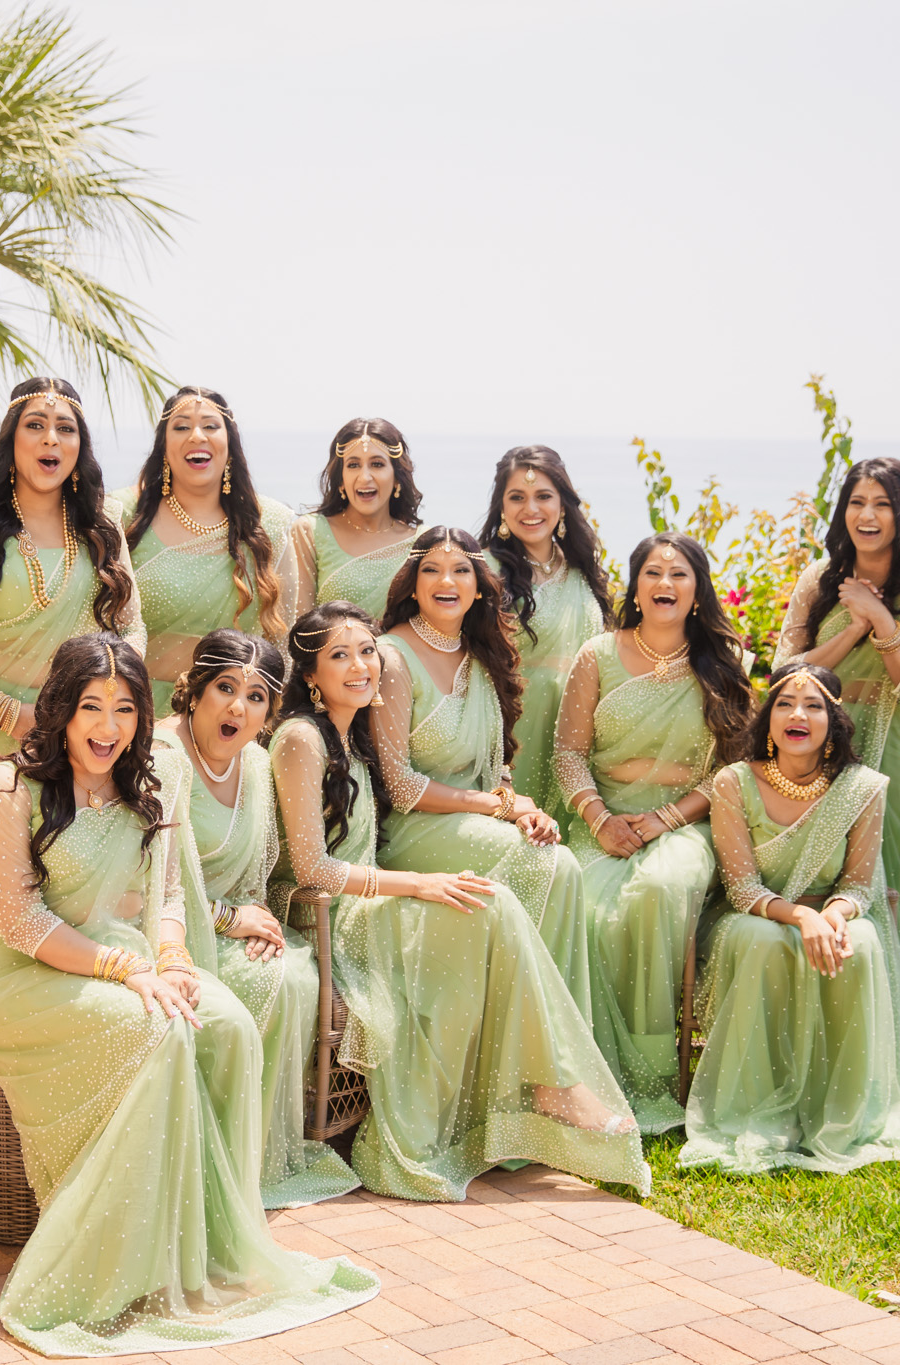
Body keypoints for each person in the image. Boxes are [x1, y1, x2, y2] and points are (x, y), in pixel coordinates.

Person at [0, 634, 376, 1353]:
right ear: (60, 709)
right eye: (91, 706)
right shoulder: (7, 791)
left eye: (124, 708)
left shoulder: (147, 784)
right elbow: (22, 922)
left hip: (131, 953)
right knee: (156, 1027)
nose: (107, 725)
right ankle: (127, 1258)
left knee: (231, 1022)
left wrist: (175, 955)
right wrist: (129, 970)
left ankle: (206, 1246)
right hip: (28, 972)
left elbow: (170, 890)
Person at [269, 602, 649, 1203]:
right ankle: (550, 1083)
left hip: (367, 903)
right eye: (339, 656)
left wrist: (508, 805)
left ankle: (538, 1085)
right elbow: (313, 868)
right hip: (329, 917)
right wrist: (418, 884)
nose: (361, 666)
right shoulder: (299, 739)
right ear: (310, 674)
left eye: (368, 651)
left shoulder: (354, 738)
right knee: (487, 904)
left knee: (489, 902)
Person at [0, 377, 146, 1137]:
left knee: (59, 897)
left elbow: (132, 632)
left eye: (66, 428)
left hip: (76, 741)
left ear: (81, 448)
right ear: (11, 439)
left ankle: (50, 1104)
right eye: (36, 425)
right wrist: (6, 709)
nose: (51, 440)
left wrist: (96, 707)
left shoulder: (100, 528)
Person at [680, 663, 900, 1175]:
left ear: (834, 721)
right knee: (762, 939)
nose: (798, 715)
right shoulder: (733, 781)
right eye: (785, 704)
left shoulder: (861, 788)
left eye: (814, 705)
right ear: (768, 718)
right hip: (749, 916)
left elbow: (858, 887)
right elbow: (742, 888)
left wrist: (834, 916)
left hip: (826, 913)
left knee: (858, 942)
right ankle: (754, 1110)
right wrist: (802, 918)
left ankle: (837, 1115)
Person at [773, 458, 900, 1114]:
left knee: (895, 896)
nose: (867, 515)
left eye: (882, 503)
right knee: (817, 886)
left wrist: (885, 624)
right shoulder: (818, 580)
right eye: (857, 500)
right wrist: (854, 623)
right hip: (818, 751)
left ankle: (885, 1066)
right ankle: (810, 1054)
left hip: (898, 760)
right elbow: (782, 674)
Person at [154, 629, 360, 1206]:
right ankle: (211, 1152)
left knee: (293, 973)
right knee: (271, 980)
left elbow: (256, 876)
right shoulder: (163, 757)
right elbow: (153, 875)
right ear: (194, 690)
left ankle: (258, 1156)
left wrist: (258, 921)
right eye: (225, 688)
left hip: (234, 922)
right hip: (167, 930)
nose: (237, 707)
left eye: (256, 697)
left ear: (269, 712)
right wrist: (226, 920)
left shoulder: (257, 760)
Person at [554, 534, 752, 1132]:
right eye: (653, 572)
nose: (665, 583)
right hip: (603, 821)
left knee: (658, 892)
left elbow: (731, 771)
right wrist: (599, 819)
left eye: (680, 574)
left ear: (697, 590)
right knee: (582, 904)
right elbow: (568, 754)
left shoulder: (724, 660)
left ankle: (649, 1073)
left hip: (688, 822)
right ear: (635, 586)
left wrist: (665, 820)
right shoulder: (598, 655)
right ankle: (583, 1074)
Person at [370, 528, 598, 1017]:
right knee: (547, 865)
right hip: (408, 829)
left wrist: (518, 811)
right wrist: (500, 807)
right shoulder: (390, 656)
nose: (445, 580)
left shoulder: (482, 654)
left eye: (460, 570)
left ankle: (552, 1034)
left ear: (479, 586)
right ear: (411, 584)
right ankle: (536, 1034)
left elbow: (497, 766)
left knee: (563, 864)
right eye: (430, 569)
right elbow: (399, 785)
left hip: (475, 820)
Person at [116, 386, 299, 715]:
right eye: (182, 426)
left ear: (229, 442)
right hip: (135, 714)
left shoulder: (269, 524)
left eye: (211, 426)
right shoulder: (123, 515)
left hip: (234, 717)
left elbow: (282, 648)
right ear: (163, 446)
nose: (197, 435)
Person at [477, 446, 614, 828]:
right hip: (512, 730)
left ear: (563, 505)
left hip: (582, 730)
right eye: (516, 497)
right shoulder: (485, 570)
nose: (530, 509)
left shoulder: (584, 570)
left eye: (543, 496)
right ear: (501, 508)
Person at [288, 418, 422, 620]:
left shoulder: (421, 541)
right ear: (341, 479)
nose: (365, 477)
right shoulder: (310, 531)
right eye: (353, 465)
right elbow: (297, 623)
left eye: (377, 464)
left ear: (396, 477)